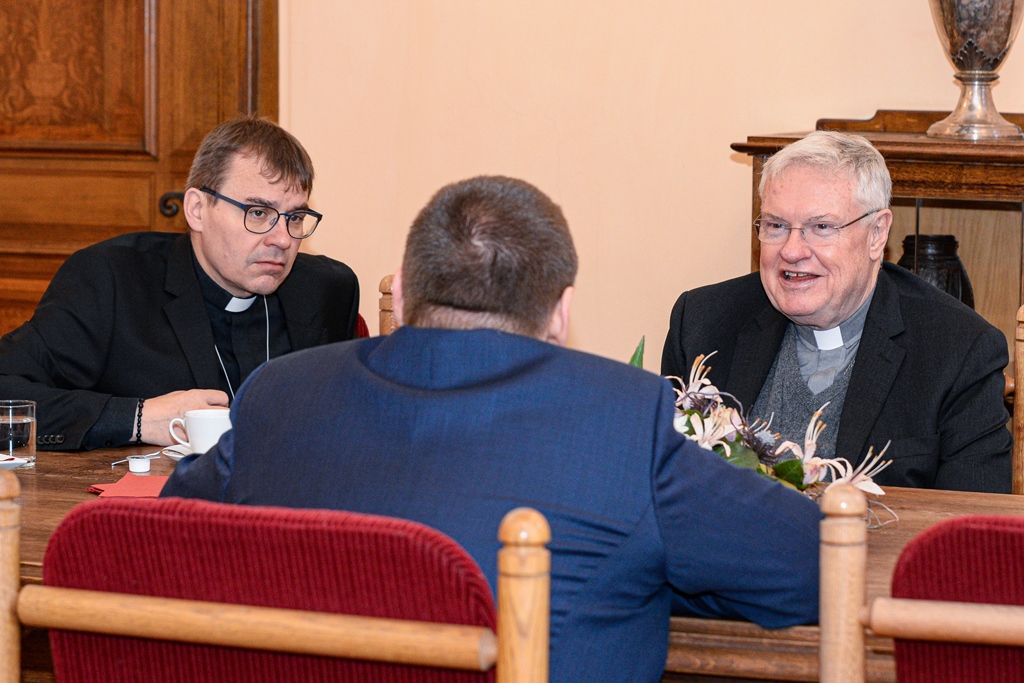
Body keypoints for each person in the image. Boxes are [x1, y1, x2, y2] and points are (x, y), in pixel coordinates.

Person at [163, 175, 821, 682]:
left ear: (408, 290)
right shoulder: (618, 419)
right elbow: (808, 566)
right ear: (562, 311)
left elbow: (165, 541)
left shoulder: (281, 396)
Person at [662, 131, 1011, 493]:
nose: (792, 251)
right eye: (776, 226)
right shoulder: (703, 322)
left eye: (822, 227)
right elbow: (666, 487)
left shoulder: (959, 350)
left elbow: (971, 533)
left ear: (877, 234)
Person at [0, 117, 359, 451]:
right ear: (197, 210)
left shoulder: (328, 290)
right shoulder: (111, 280)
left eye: (295, 217)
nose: (282, 239)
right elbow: (6, 390)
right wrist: (138, 418)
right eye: (259, 213)